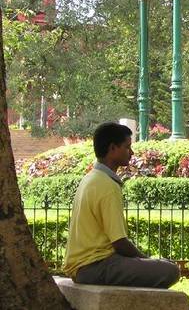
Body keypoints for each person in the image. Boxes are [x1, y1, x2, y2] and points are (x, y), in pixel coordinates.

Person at [63, 122, 180, 288]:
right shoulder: (107, 185)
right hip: (95, 266)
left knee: (161, 265)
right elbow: (120, 243)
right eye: (127, 147)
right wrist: (145, 260)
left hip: (86, 266)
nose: (131, 153)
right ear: (112, 148)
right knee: (170, 270)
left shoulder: (91, 178)